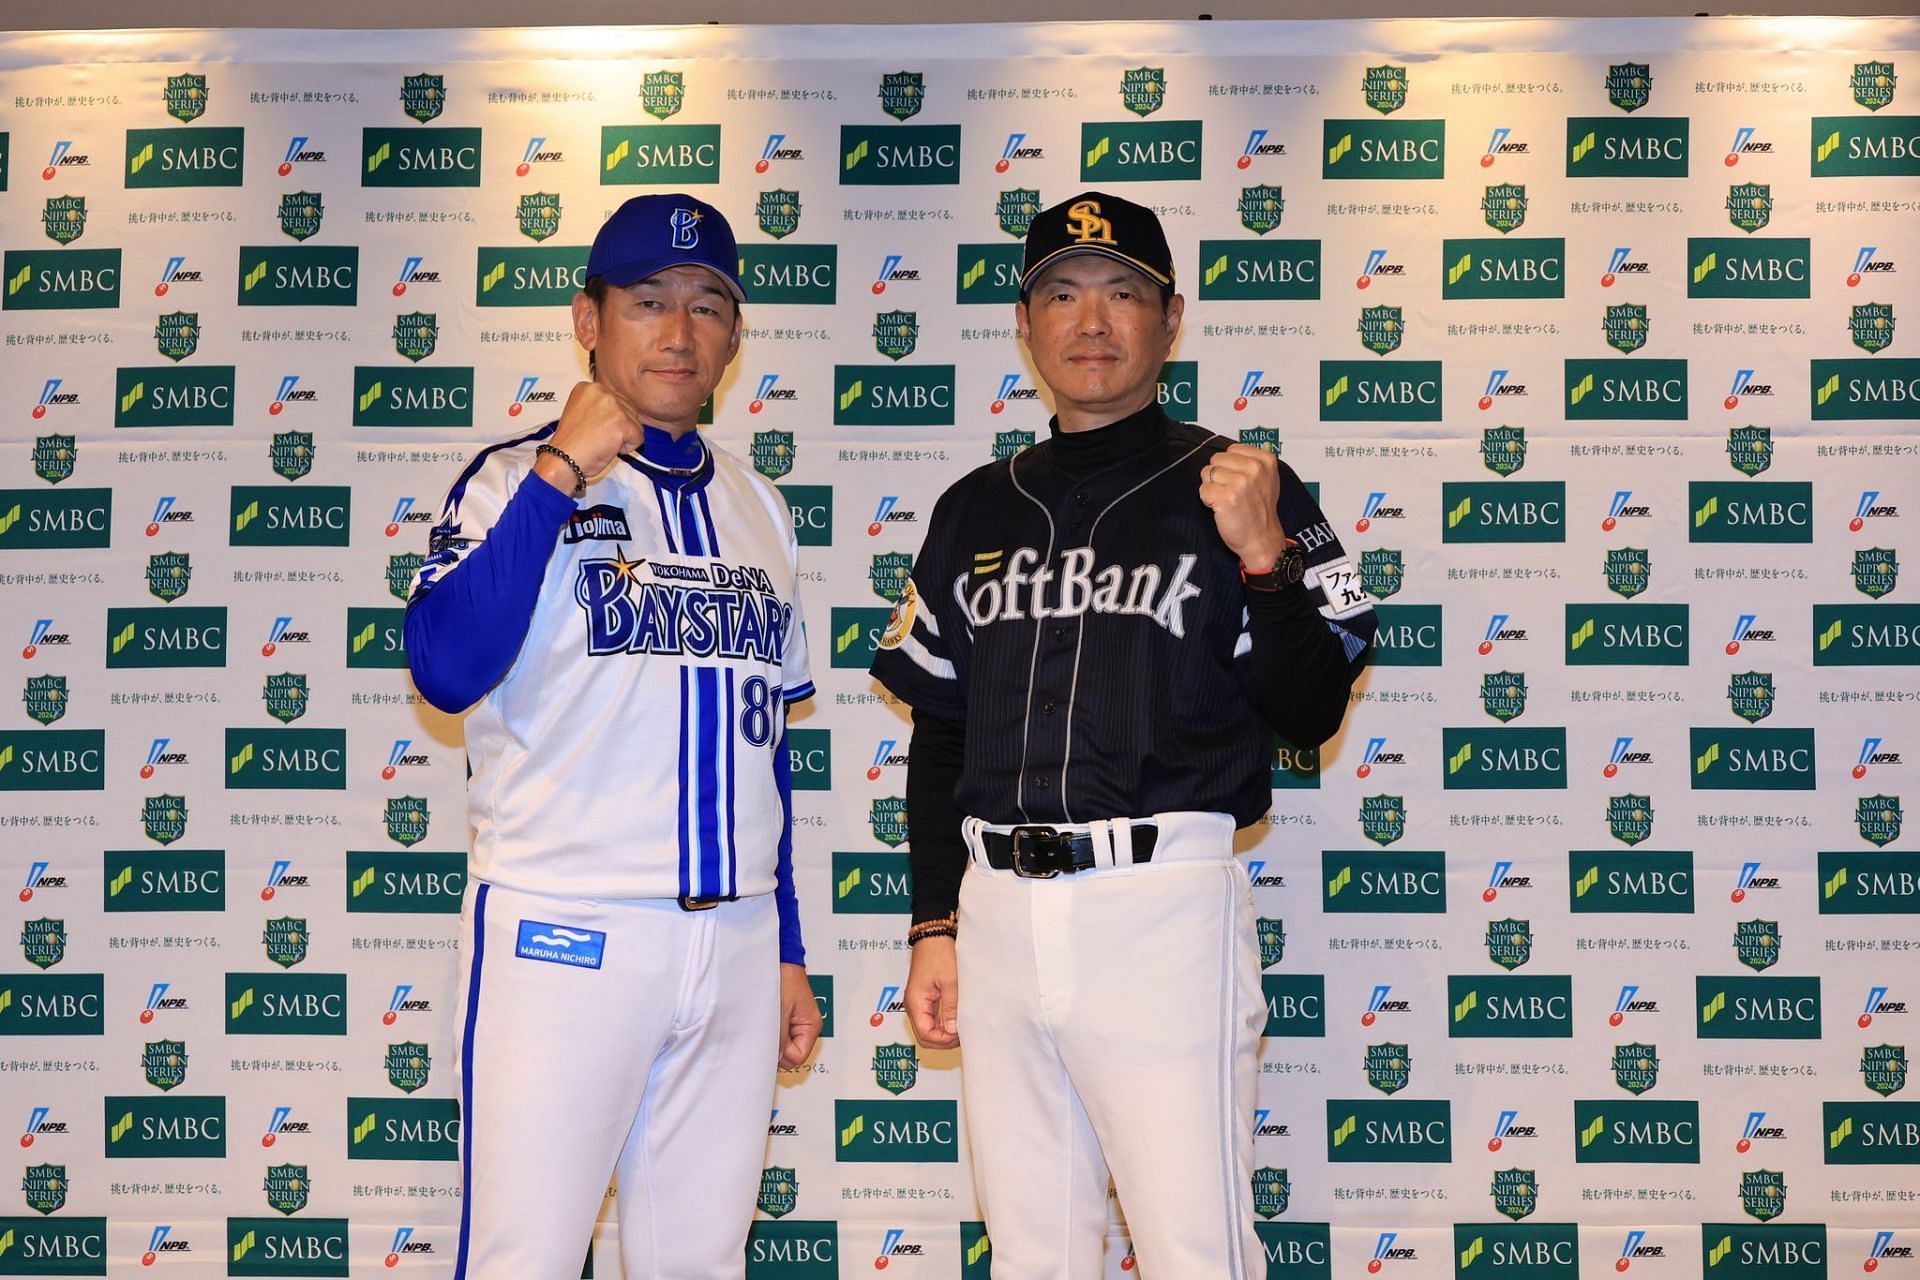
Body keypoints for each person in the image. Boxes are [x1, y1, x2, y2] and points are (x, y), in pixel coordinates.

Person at [870, 191, 1375, 1278]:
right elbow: (944, 734)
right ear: (1025, 321)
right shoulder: (972, 507)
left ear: (1171, 317)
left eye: (1122, 294)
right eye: (1061, 292)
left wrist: (1265, 560)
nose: (1090, 320)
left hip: (1162, 906)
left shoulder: (1251, 483)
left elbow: (1311, 709)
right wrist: (933, 923)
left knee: (1196, 1247)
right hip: (999, 908)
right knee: (1033, 1251)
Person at [405, 193, 821, 1280]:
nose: (679, 333)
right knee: (524, 1258)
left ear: (734, 336)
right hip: (565, 925)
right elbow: (445, 667)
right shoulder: (507, 479)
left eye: (706, 306)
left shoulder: (761, 508)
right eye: (647, 302)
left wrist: (782, 941)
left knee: (700, 1262)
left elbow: (764, 744)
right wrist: (559, 472)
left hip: (729, 940)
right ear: (588, 319)